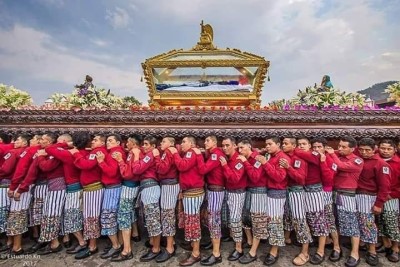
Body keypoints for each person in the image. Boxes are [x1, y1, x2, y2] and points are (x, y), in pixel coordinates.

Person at [325, 136, 364, 267]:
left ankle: (355, 253)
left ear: (352, 149)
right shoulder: (338, 155)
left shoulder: (357, 160)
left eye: (343, 147)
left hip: (347, 195)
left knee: (351, 223)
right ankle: (336, 247)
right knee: (332, 221)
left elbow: (341, 166)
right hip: (334, 192)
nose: (340, 148)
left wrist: (332, 154)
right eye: (339, 146)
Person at [356, 138, 391, 266]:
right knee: (359, 222)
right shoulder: (357, 159)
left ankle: (372, 251)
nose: (364, 152)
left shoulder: (380, 164)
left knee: (368, 224)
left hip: (369, 196)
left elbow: (385, 187)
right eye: (361, 150)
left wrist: (378, 204)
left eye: (367, 150)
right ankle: (361, 245)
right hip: (355, 195)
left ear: (374, 149)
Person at [280, 137, 313, 266]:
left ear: (293, 146)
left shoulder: (298, 159)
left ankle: (305, 252)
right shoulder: (285, 156)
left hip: (297, 191)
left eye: (286, 144)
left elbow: (301, 179)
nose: (283, 145)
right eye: (282, 143)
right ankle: (287, 238)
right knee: (288, 216)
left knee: (300, 220)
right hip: (287, 191)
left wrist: (289, 167)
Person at [197, 135, 225, 266]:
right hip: (213, 189)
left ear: (214, 142)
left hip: (216, 190)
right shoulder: (212, 153)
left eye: (208, 140)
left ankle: (216, 253)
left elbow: (203, 169)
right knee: (211, 218)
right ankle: (213, 245)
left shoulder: (216, 154)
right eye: (205, 140)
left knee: (214, 220)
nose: (205, 142)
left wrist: (198, 156)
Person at [219, 136, 247, 262]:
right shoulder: (229, 159)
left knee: (235, 219)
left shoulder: (238, 160)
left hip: (237, 192)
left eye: (227, 145)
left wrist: (225, 166)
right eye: (223, 146)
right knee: (231, 219)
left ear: (234, 146)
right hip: (229, 191)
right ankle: (234, 240)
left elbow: (235, 178)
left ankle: (239, 249)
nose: (225, 148)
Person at [153, 136, 180, 263]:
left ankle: (169, 248)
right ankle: (171, 242)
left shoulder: (169, 151)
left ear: (171, 143)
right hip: (167, 185)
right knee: (167, 214)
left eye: (164, 141)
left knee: (168, 215)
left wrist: (157, 157)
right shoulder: (168, 152)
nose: (161, 143)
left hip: (169, 185)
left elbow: (162, 169)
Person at [377, 139, 400, 262]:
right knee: (380, 221)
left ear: (394, 150)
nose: (385, 151)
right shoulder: (375, 159)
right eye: (383, 148)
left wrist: (393, 195)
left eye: (389, 149)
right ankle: (386, 244)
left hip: (391, 198)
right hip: (377, 196)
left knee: (391, 222)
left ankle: (395, 248)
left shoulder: (398, 163)